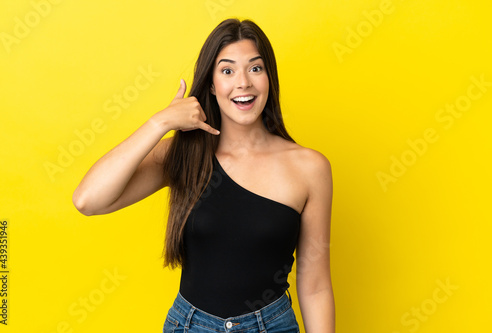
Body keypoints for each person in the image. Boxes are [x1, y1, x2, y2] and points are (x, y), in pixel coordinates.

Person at [73, 18, 334, 333]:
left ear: (269, 78)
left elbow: (315, 284)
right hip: (191, 326)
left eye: (255, 68)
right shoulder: (183, 155)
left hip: (272, 326)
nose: (243, 83)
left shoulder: (310, 167)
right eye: (227, 71)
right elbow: (88, 200)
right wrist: (159, 123)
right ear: (211, 84)